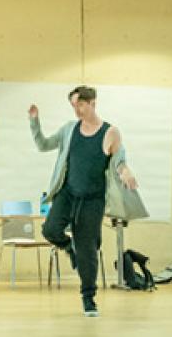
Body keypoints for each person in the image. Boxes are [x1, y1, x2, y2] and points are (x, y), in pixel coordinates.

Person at [29, 85, 140, 317]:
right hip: (67, 193)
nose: (76, 109)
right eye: (73, 105)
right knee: (49, 230)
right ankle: (69, 248)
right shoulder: (70, 129)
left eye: (80, 104)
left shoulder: (110, 132)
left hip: (93, 199)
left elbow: (120, 161)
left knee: (87, 250)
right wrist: (34, 122)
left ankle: (88, 298)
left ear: (92, 103)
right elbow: (43, 145)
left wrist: (127, 173)